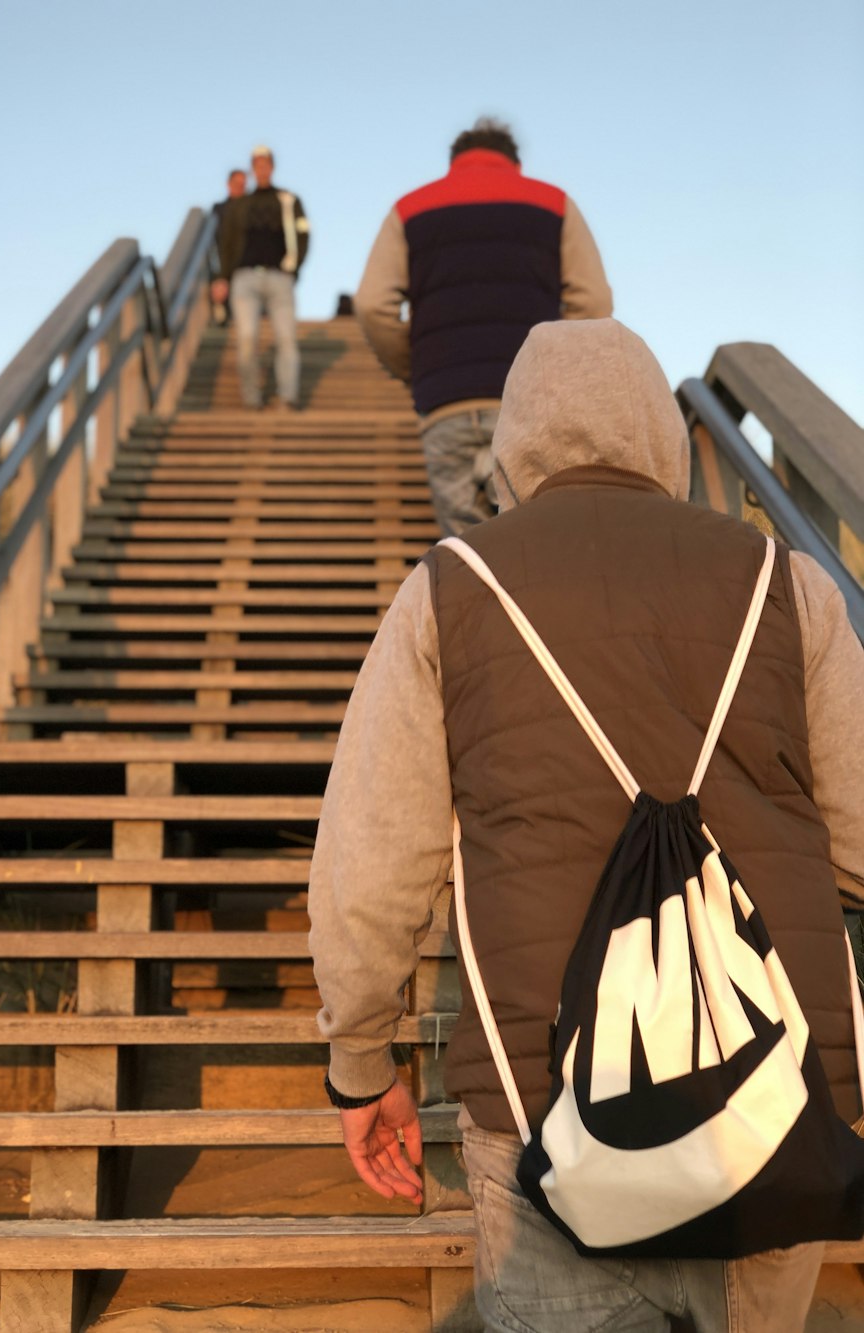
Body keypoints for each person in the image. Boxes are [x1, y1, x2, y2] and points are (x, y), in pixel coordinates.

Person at [309, 318, 864, 1332]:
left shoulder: (448, 588)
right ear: (661, 432)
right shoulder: (789, 584)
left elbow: (371, 864)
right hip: (770, 1105)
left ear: (514, 443)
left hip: (547, 1108)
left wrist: (360, 1064)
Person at [354, 117, 613, 536]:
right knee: (535, 546)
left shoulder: (411, 208)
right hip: (529, 402)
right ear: (513, 161)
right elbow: (594, 301)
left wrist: (416, 366)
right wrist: (556, 371)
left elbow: (371, 305)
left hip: (446, 405)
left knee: (466, 560)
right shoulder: (553, 203)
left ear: (455, 161)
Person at [214, 145, 310, 410]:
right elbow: (228, 243)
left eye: (266, 163)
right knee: (247, 338)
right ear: (253, 169)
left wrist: (294, 267)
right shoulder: (240, 206)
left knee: (286, 338)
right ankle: (251, 399)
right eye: (257, 164)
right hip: (244, 277)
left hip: (280, 277)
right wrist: (223, 277)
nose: (262, 168)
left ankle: (288, 397)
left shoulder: (288, 200)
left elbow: (303, 234)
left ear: (272, 167)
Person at [210, 168, 247, 325]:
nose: (239, 187)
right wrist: (220, 276)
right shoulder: (218, 210)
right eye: (236, 183)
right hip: (224, 266)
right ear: (228, 184)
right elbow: (214, 241)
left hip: (246, 266)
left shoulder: (251, 209)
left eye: (243, 184)